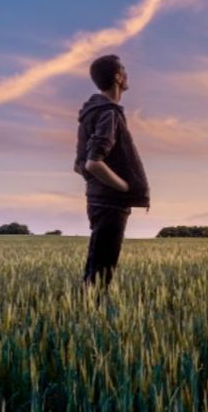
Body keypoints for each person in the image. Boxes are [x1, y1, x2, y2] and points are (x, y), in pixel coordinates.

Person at [74, 54, 150, 292]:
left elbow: (79, 164)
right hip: (111, 201)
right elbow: (92, 163)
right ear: (118, 77)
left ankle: (85, 313)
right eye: (124, 71)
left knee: (97, 265)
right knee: (103, 270)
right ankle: (91, 319)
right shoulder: (109, 113)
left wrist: (97, 185)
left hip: (97, 198)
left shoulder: (90, 113)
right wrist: (124, 187)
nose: (127, 75)